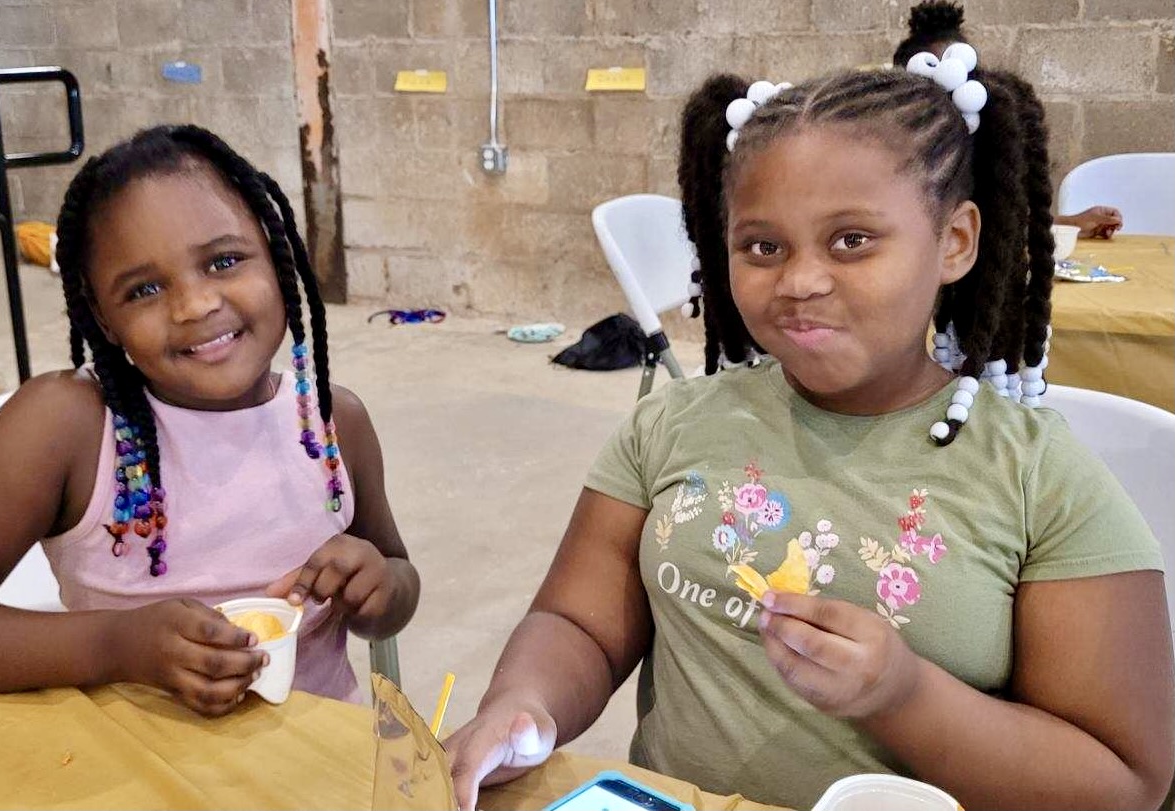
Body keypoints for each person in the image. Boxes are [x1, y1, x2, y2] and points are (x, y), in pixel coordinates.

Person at [445, 56, 1173, 810]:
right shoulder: (672, 424)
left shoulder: (1037, 477)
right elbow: (577, 623)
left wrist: (902, 693)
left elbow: (1121, 781)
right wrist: (523, 699)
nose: (799, 281)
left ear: (953, 241)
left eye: (851, 240)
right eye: (762, 246)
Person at [0, 125, 420, 717]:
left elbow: (396, 580)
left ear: (278, 258)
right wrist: (116, 644)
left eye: (225, 260)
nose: (194, 306)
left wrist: (380, 589)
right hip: (132, 769)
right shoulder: (67, 429)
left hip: (316, 765)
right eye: (144, 289)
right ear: (103, 319)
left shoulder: (335, 424)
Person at [894, 0, 1122, 239]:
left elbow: (999, 229)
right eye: (934, 77)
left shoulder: (988, 155)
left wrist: (1072, 224)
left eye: (960, 74)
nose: (951, 86)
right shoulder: (894, 160)